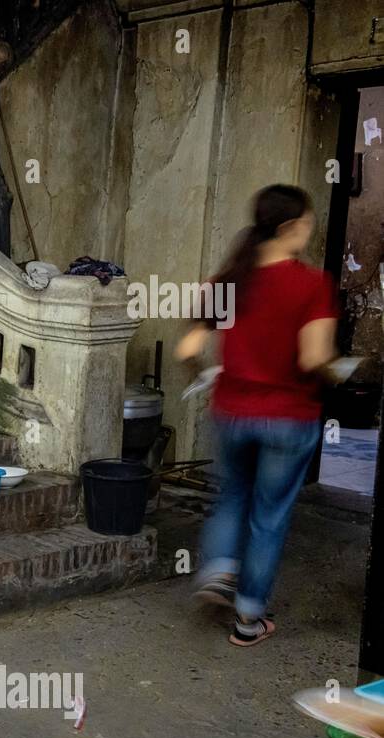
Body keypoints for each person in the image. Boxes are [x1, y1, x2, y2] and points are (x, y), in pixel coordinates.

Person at [177, 184, 340, 647]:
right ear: (289, 228)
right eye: (307, 223)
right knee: (269, 516)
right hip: (289, 416)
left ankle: (218, 568)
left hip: (232, 411)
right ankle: (248, 619)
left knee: (231, 497)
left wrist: (207, 375)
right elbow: (312, 360)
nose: (309, 231)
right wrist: (338, 368)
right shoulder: (312, 284)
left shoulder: (232, 280)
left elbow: (188, 346)